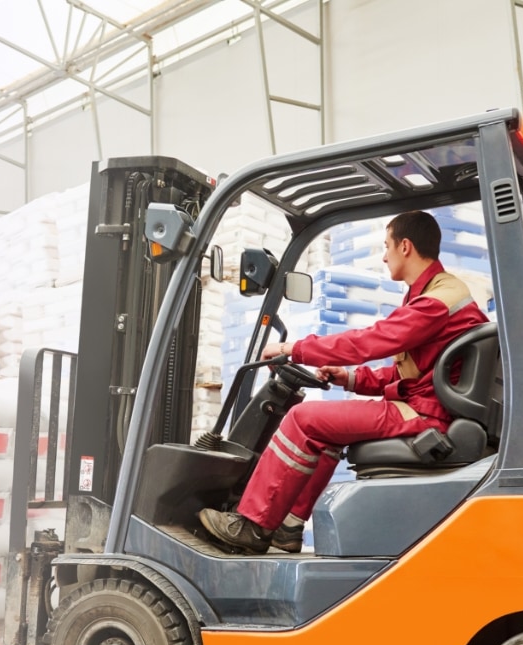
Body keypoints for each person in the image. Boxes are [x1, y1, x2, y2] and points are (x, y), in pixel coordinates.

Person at [198, 210, 490, 554]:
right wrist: (350, 378)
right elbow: (413, 373)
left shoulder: (436, 302)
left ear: (405, 247)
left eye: (387, 246)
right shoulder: (433, 293)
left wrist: (296, 349)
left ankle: (252, 525)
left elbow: (371, 341)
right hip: (426, 405)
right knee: (324, 432)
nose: (384, 256)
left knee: (302, 419)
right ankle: (288, 527)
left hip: (427, 415)